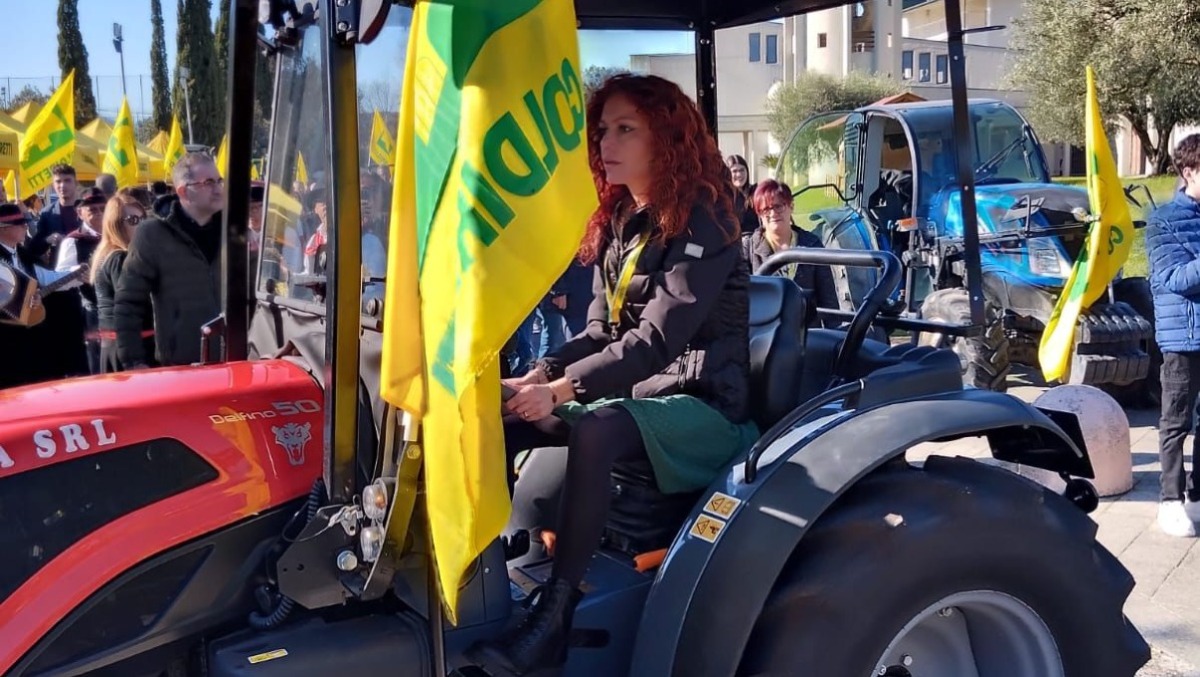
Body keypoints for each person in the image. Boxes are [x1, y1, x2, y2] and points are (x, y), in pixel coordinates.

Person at [470, 74, 757, 675]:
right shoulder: (623, 219)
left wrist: (562, 390)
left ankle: (556, 615)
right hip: (643, 399)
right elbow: (601, 332)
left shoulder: (708, 218)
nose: (607, 141)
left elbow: (655, 340)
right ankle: (481, 575)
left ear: (668, 138)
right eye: (603, 130)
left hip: (705, 408)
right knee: (492, 417)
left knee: (596, 428)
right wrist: (535, 377)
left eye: (627, 129)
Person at [114, 152, 224, 368]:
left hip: (238, 359)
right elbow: (128, 302)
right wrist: (133, 362)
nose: (218, 188)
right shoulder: (152, 234)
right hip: (181, 365)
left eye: (219, 180)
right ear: (184, 191)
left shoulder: (234, 229)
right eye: (209, 182)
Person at [1146, 133, 1200, 538]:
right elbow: (1174, 278)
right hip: (1183, 338)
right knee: (1175, 422)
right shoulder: (1163, 221)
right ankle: (1170, 499)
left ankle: (1197, 496)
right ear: (1189, 171)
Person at [741, 178, 839, 320]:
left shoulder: (812, 245)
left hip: (806, 334)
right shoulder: (748, 249)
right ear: (759, 214)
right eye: (766, 209)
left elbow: (829, 303)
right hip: (764, 334)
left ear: (791, 206)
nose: (773, 213)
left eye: (778, 206)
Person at [90, 191, 153, 373]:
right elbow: (130, 308)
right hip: (132, 348)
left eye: (143, 219)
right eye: (133, 220)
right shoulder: (119, 257)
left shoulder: (107, 253)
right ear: (116, 224)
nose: (141, 225)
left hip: (117, 345)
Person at [57, 186, 108, 374]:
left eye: (103, 209)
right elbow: (60, 277)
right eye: (92, 209)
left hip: (119, 306)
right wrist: (78, 275)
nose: (99, 213)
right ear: (80, 212)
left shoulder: (117, 235)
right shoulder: (74, 241)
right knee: (96, 358)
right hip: (91, 308)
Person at [30, 163, 81, 263]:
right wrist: (47, 240)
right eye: (58, 181)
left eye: (67, 180)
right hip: (59, 272)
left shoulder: (88, 209)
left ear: (76, 183)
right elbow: (34, 249)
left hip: (85, 269)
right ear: (53, 185)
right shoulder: (47, 213)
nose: (62, 185)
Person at [725, 153, 759, 235]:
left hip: (755, 241)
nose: (739, 174)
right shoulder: (723, 197)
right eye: (734, 171)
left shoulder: (756, 192)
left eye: (742, 170)